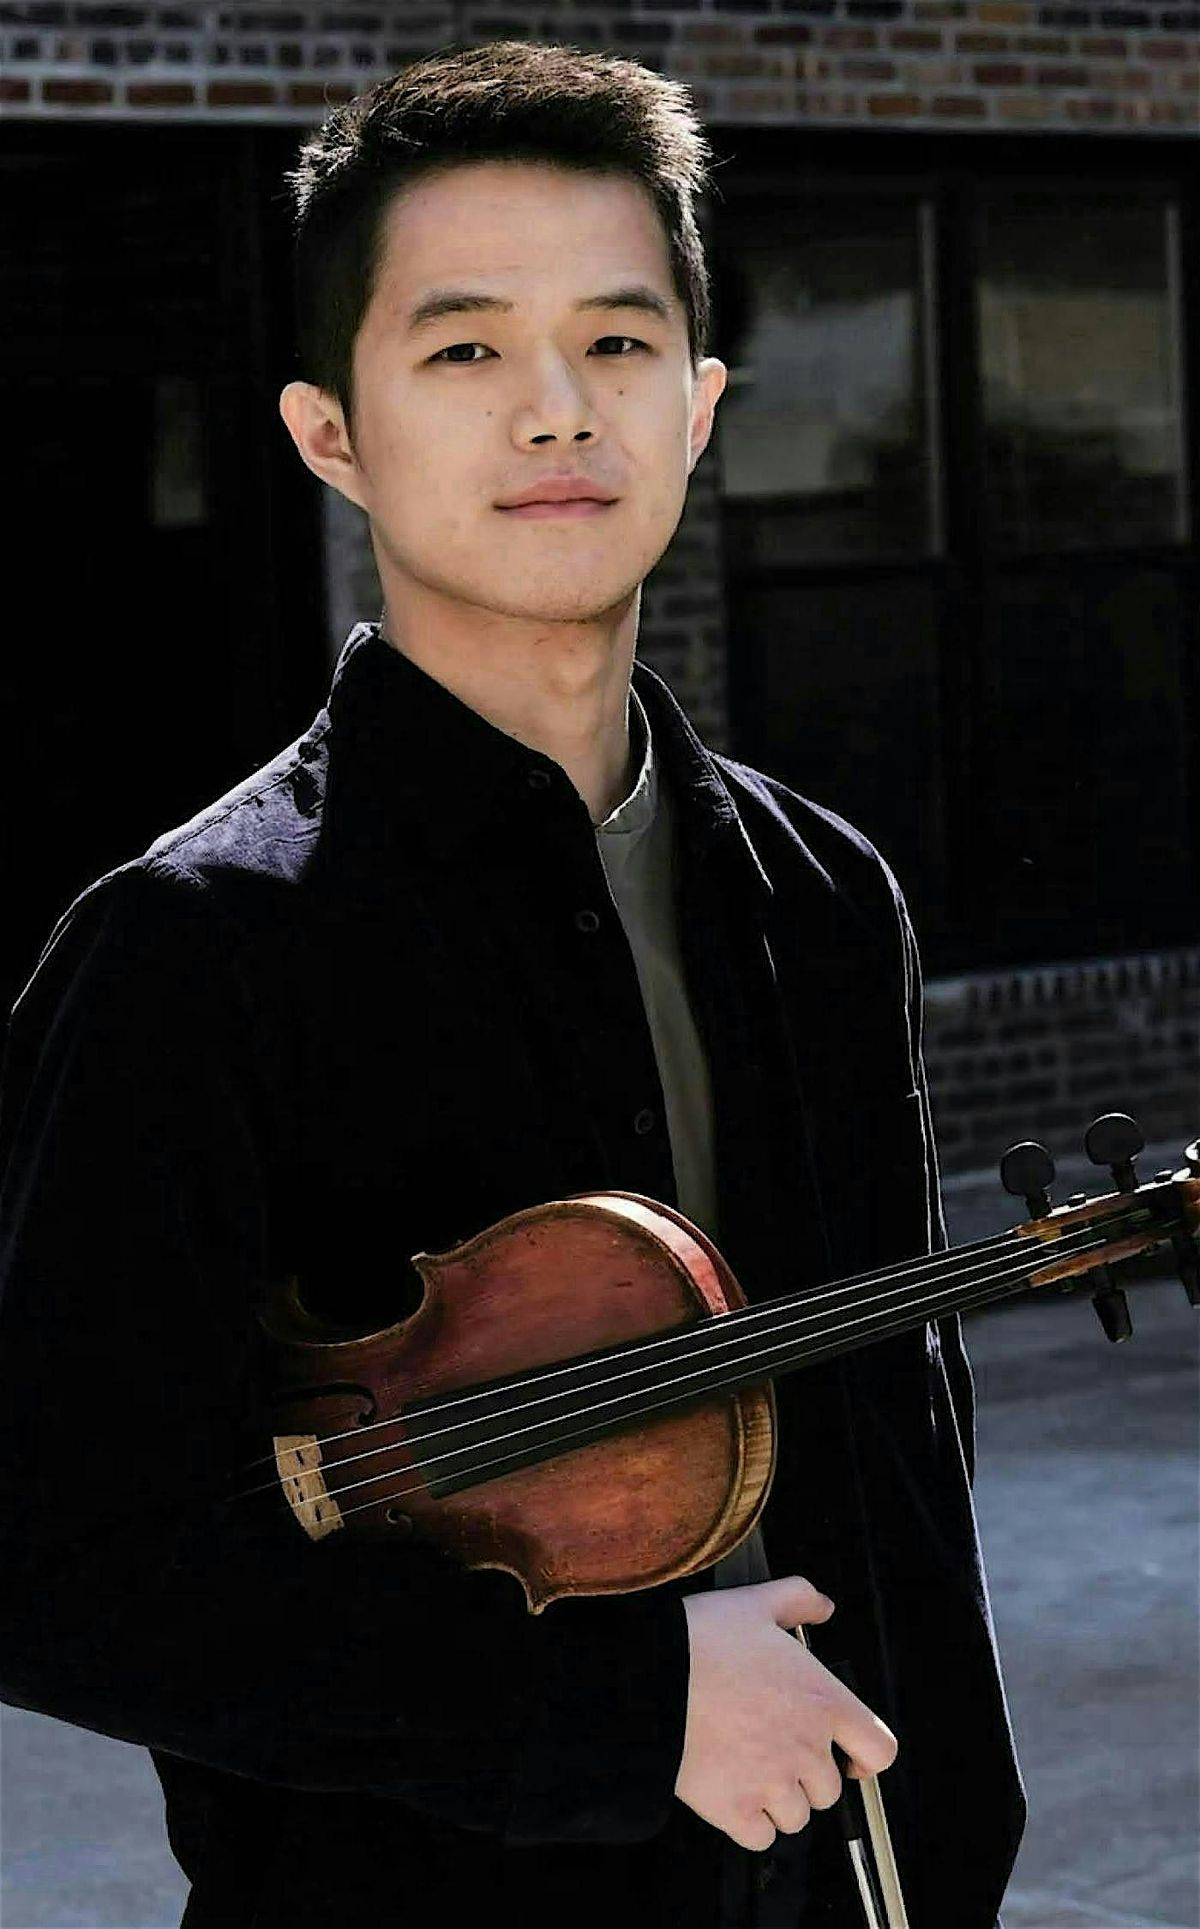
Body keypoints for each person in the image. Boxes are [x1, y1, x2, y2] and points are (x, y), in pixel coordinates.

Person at [0, 39, 1025, 1929]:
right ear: (331, 432)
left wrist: (950, 1850)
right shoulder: (191, 948)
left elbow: (894, 1430)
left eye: (618, 342)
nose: (558, 411)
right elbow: (59, 1560)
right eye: (466, 348)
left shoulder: (824, 898)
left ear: (699, 407)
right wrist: (620, 1714)